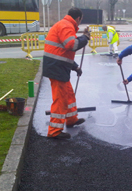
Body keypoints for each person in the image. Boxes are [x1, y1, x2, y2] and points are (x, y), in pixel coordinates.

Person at [43, 7, 90, 139]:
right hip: (57, 68)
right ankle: (54, 131)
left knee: (68, 94)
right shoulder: (66, 26)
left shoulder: (64, 25)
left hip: (58, 66)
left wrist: (75, 67)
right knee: (60, 100)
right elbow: (71, 45)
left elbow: (62, 52)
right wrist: (85, 38)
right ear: (78, 18)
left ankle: (71, 120)